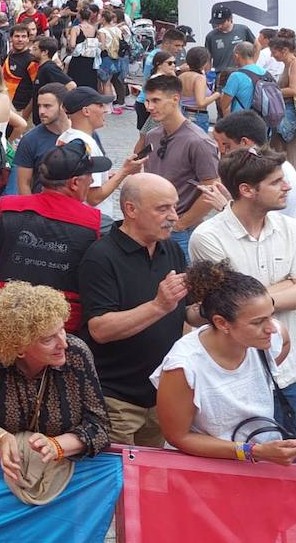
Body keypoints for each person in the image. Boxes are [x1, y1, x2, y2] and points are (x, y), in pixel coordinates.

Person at [189, 147, 296, 425]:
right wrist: (287, 285)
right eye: (275, 182)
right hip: (239, 376)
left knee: (290, 453)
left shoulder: (289, 227)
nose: (287, 186)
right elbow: (231, 307)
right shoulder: (208, 237)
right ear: (247, 190)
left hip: (289, 370)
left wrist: (254, 300)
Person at [151, 261, 296, 466]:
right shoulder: (184, 366)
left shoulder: (266, 340)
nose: (270, 329)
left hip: (263, 460)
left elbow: (285, 340)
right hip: (211, 469)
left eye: (270, 316)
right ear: (222, 323)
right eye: (257, 322)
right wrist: (254, 451)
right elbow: (178, 436)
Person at [0, 282, 111, 488]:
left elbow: (100, 426)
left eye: (61, 330)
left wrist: (58, 445)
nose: (63, 343)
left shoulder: (76, 355)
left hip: (58, 481)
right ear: (18, 347)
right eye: (48, 339)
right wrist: (1, 437)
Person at [0, 140, 107, 347]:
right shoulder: (97, 223)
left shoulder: (3, 208)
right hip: (62, 332)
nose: (92, 180)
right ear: (74, 183)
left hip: (4, 322)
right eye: (89, 177)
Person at [78, 174, 187, 447]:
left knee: (151, 484)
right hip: (116, 401)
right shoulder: (101, 256)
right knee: (120, 483)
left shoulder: (172, 250)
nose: (173, 216)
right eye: (163, 208)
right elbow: (100, 329)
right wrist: (158, 306)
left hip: (160, 396)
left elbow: (184, 313)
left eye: (174, 207)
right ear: (131, 210)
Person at [142, 74, 221, 260]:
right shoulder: (153, 135)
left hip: (178, 232)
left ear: (175, 99)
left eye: (156, 100)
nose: (149, 107)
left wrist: (181, 224)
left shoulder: (198, 141)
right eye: (147, 101)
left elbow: (211, 189)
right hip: (150, 226)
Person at [56, 87, 143, 220]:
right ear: (86, 111)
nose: (105, 110)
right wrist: (124, 172)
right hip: (90, 219)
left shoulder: (66, 136)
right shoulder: (87, 144)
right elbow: (93, 198)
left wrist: (104, 177)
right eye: (100, 105)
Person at [213, 111, 296, 218]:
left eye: (227, 145)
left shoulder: (266, 170)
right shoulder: (276, 165)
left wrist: (225, 207)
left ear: (244, 142)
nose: (223, 151)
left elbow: (257, 221)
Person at [13, 84, 70, 194]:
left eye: (47, 106)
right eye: (39, 106)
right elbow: (23, 184)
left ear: (63, 106)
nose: (41, 111)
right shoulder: (30, 140)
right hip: (42, 206)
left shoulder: (82, 134)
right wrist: (31, 210)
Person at [266, 34, 296, 170]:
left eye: (274, 52)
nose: (272, 56)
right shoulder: (288, 65)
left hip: (289, 117)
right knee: (279, 152)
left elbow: (294, 90)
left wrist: (272, 91)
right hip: (283, 115)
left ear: (284, 51)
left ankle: (290, 187)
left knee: (287, 155)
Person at [204, 6, 254, 92]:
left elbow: (256, 46)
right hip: (222, 76)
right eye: (216, 23)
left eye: (222, 23)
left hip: (242, 74)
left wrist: (253, 64)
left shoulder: (243, 30)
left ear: (230, 19)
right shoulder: (211, 36)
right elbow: (208, 59)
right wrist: (209, 79)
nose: (219, 26)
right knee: (222, 103)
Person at [178, 47, 219, 133]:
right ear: (204, 63)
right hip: (197, 116)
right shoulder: (199, 78)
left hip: (183, 113)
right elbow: (200, 102)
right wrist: (216, 95)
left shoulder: (181, 76)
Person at [2, 25, 37, 115]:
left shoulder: (32, 60)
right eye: (17, 36)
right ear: (11, 38)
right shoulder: (8, 56)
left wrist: (25, 114)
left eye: (24, 36)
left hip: (21, 110)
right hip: (4, 107)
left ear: (28, 39)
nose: (20, 40)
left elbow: (36, 89)